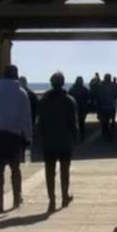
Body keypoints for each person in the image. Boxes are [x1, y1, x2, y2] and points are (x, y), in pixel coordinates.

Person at [0, 65, 33, 213]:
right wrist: (28, 135)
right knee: (15, 168)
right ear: (16, 76)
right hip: (14, 135)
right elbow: (26, 116)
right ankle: (17, 197)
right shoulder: (21, 93)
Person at [38, 71, 79, 211]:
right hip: (64, 141)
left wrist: (40, 137)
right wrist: (76, 137)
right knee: (64, 170)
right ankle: (64, 196)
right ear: (62, 83)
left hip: (49, 142)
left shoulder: (44, 100)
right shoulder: (69, 100)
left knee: (49, 172)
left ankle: (52, 200)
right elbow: (74, 123)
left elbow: (40, 122)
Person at [96, 73, 117, 139]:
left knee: (104, 121)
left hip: (103, 106)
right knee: (109, 120)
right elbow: (116, 94)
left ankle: (105, 132)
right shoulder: (113, 85)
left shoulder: (101, 85)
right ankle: (108, 133)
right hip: (111, 106)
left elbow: (98, 96)